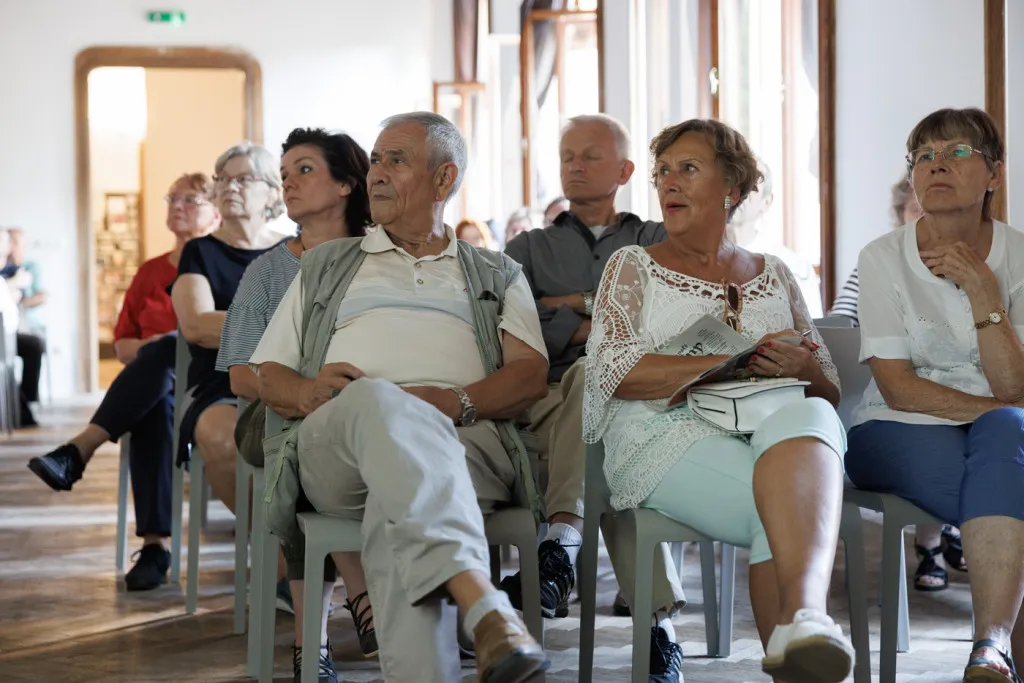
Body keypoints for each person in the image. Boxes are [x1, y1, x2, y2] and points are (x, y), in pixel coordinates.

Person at [249, 111, 549, 683]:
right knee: (377, 401)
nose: (377, 173)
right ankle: (481, 599)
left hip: (465, 442)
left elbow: (529, 376)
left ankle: (480, 616)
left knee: (395, 519)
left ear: (444, 178)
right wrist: (309, 392)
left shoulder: (497, 271)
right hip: (338, 445)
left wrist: (454, 402)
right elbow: (269, 375)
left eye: (397, 160)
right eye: (375, 160)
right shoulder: (326, 265)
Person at [584, 118, 854, 683]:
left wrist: (805, 367)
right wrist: (726, 363)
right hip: (663, 433)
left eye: (688, 168)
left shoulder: (775, 274)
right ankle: (807, 620)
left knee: (809, 414)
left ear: (732, 186)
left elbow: (828, 392)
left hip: (770, 431)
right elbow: (612, 373)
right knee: (783, 512)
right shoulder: (632, 266)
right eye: (662, 172)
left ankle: (803, 622)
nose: (669, 182)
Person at [503, 113, 686, 680]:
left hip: (641, 400)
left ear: (625, 171)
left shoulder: (655, 238)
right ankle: (659, 632)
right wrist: (606, 313)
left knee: (600, 389)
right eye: (567, 157)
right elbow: (517, 324)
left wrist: (568, 306)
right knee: (600, 407)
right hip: (547, 399)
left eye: (590, 156)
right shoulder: (527, 246)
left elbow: (664, 317)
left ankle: (560, 544)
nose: (575, 166)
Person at [846, 107, 1024, 682]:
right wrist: (1001, 410)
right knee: (1011, 474)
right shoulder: (881, 257)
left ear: (995, 174)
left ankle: (990, 648)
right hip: (894, 427)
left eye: (957, 152)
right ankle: (998, 649)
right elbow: (897, 387)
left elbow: (1015, 388)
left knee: (1007, 434)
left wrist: (983, 291)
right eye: (924, 156)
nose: (937, 164)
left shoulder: (1020, 256)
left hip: (997, 437)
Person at [216, 128, 375, 681]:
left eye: (304, 169)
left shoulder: (380, 258)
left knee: (309, 447)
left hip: (364, 413)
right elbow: (240, 374)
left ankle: (313, 644)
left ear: (347, 184)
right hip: (269, 415)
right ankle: (362, 593)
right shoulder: (268, 270)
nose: (288, 182)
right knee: (299, 435)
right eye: (284, 174)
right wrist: (303, 390)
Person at [27, 173, 219, 590]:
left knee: (167, 351)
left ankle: (82, 449)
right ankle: (155, 545)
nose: (177, 206)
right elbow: (122, 343)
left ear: (216, 213)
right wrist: (153, 347)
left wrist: (165, 345)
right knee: (155, 397)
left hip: (206, 387)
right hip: (156, 388)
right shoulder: (150, 271)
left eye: (190, 200)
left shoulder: (221, 265)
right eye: (172, 198)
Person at [830, 176, 966, 591]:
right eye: (916, 209)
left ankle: (948, 535)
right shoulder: (879, 262)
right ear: (901, 215)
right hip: (880, 393)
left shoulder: (969, 266)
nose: (926, 218)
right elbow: (838, 325)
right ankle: (943, 538)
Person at [172, 142, 285, 519]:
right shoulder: (200, 251)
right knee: (222, 440)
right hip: (218, 382)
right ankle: (271, 549)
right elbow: (197, 325)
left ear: (272, 192)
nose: (229, 186)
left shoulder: (296, 249)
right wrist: (284, 324)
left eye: (243, 179)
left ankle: (305, 546)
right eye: (222, 179)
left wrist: (243, 324)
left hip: (290, 374)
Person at [0, 229, 45, 426]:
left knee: (33, 345)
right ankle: (21, 410)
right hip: (5, 334)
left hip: (9, 331)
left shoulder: (18, 270)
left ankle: (25, 403)